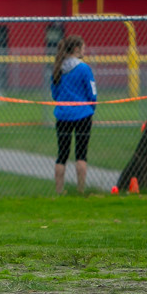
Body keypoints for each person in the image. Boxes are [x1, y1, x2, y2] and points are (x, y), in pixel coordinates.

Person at [51, 35, 97, 195]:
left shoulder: (58, 68)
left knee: (61, 155)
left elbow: (55, 94)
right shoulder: (84, 69)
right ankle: (81, 190)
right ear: (77, 49)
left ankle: (59, 192)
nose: (85, 50)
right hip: (83, 115)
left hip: (63, 115)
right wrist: (91, 108)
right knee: (81, 154)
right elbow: (92, 93)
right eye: (83, 47)